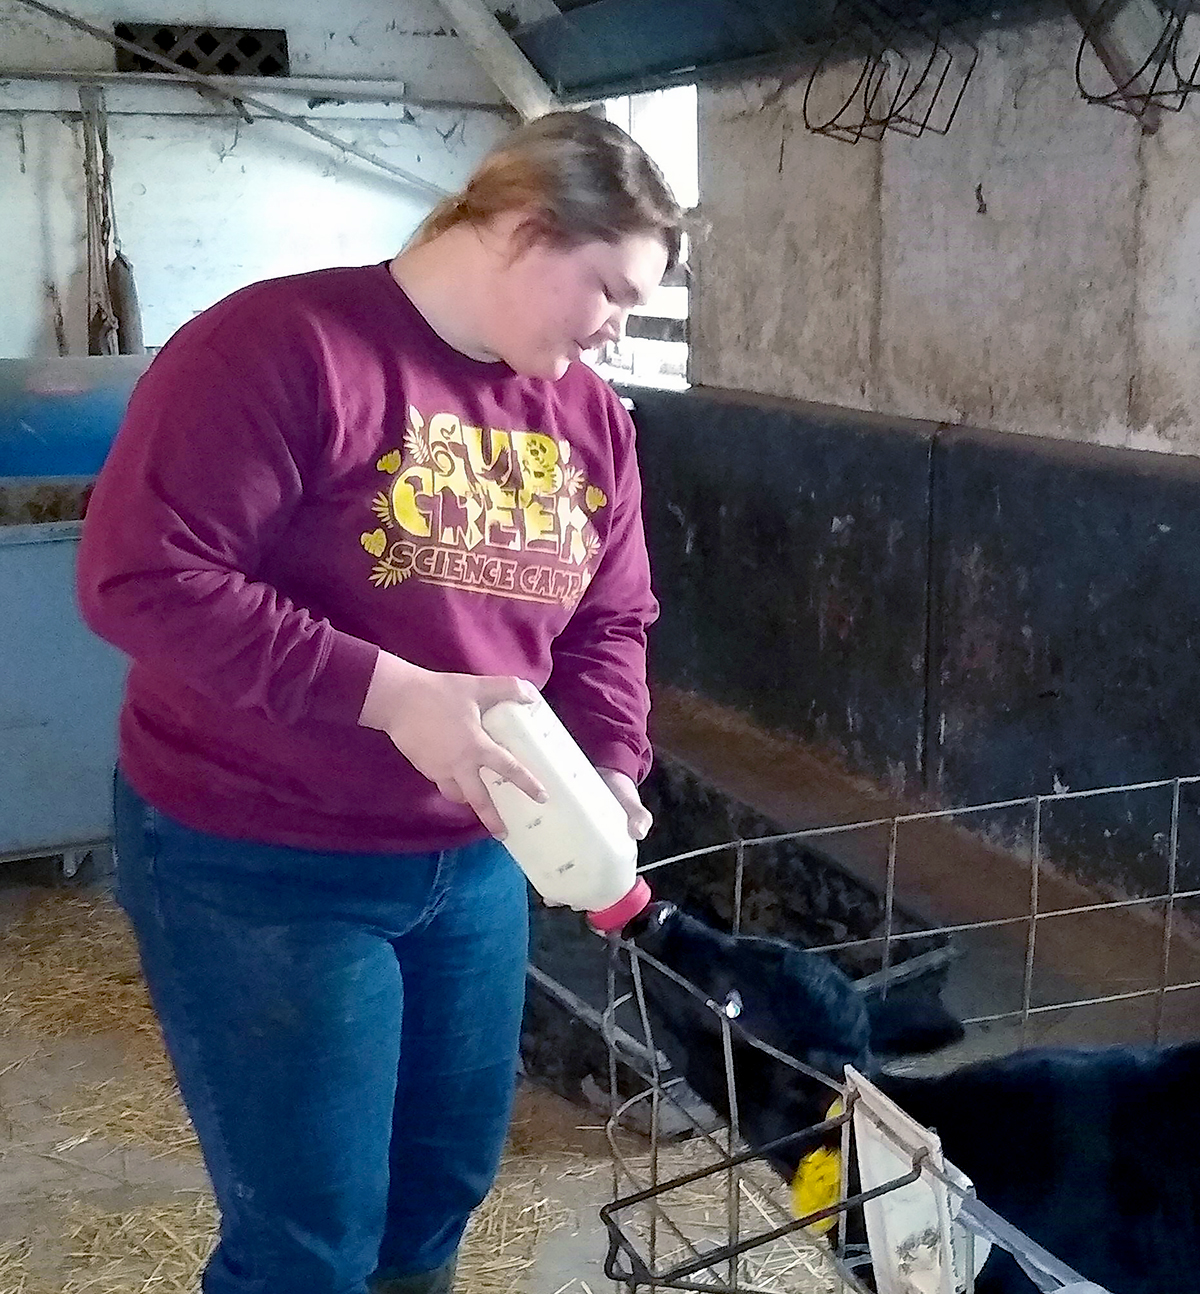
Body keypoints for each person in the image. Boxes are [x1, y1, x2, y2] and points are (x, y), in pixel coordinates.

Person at [76, 110, 683, 1294]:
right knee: (308, 1235)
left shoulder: (589, 418)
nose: (613, 328)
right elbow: (140, 575)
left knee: (435, 1195)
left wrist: (610, 760)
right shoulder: (283, 348)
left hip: (478, 859)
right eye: (608, 288)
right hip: (262, 854)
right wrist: (388, 692)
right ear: (522, 230)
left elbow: (612, 616)